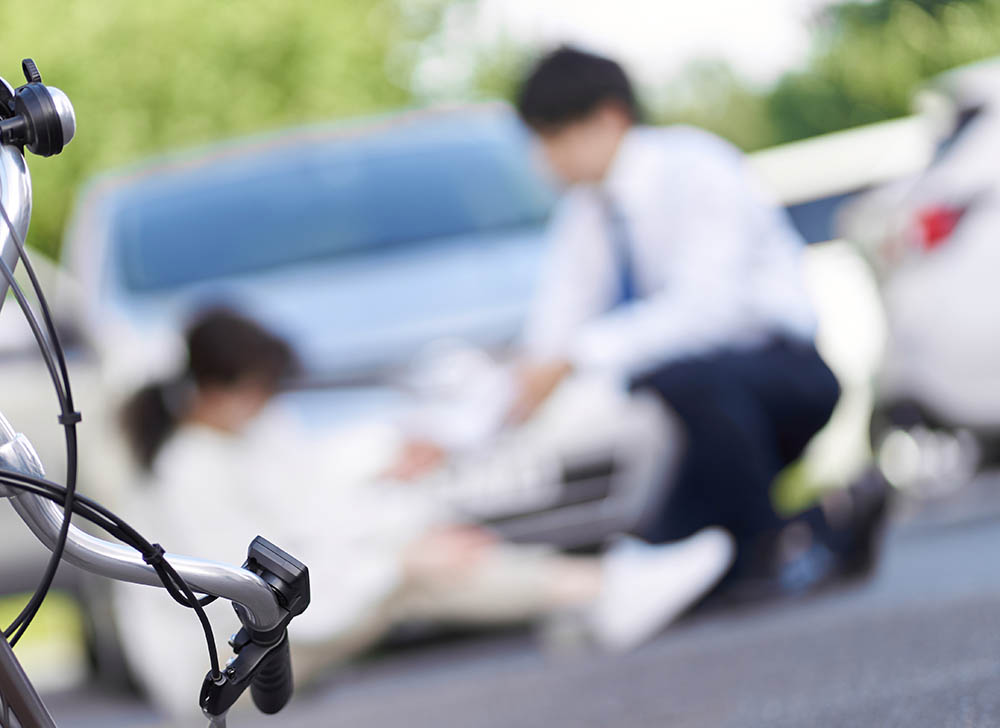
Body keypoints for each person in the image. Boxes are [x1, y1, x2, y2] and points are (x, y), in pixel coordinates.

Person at [113, 308, 734, 721]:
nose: (268, 403)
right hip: (215, 671)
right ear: (219, 390)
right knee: (413, 575)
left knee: (420, 552)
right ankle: (601, 591)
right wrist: (398, 559)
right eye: (258, 389)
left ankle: (593, 594)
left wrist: (400, 521)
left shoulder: (236, 438)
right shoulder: (189, 469)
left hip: (266, 636)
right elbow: (251, 592)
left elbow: (316, 515)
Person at [506, 47, 888, 589]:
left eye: (553, 138)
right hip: (694, 409)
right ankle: (820, 525)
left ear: (609, 119)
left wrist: (577, 357)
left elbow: (710, 312)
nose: (544, 161)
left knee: (676, 378)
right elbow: (552, 329)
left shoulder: (697, 168)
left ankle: (774, 548)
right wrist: (477, 417)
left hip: (783, 376)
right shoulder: (585, 215)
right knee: (669, 545)